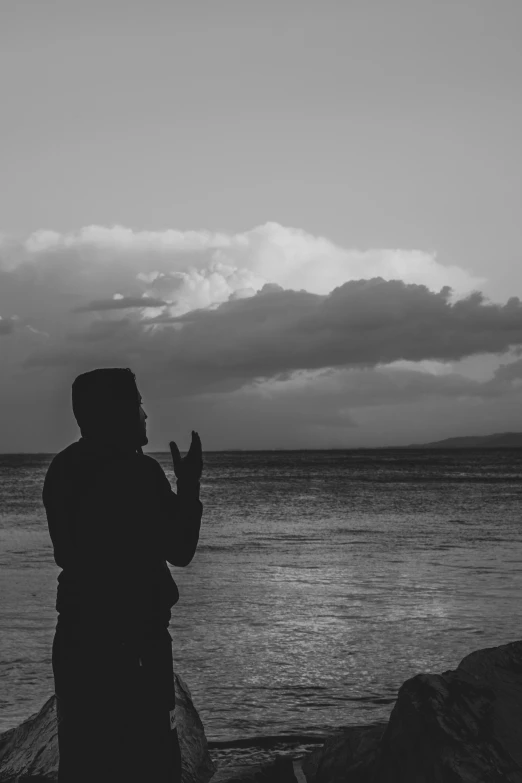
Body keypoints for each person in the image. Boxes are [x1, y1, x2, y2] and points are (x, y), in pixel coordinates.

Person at [42, 367, 203, 783]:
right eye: (136, 404)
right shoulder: (139, 474)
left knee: (85, 761)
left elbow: (67, 552)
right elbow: (181, 550)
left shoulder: (61, 470)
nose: (145, 414)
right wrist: (188, 489)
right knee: (151, 763)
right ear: (115, 413)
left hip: (79, 641)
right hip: (135, 650)